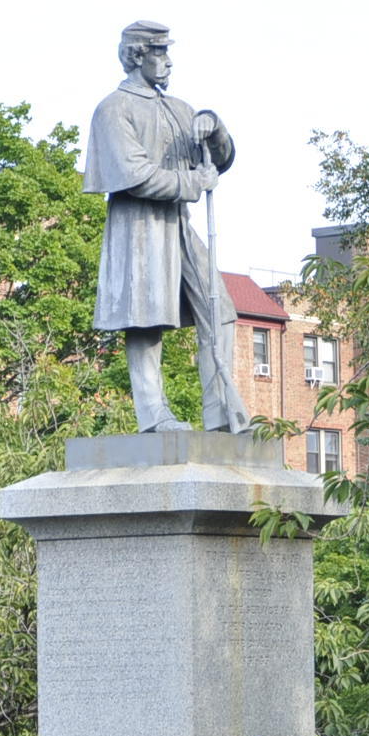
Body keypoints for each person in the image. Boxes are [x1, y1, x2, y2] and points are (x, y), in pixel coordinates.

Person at [83, 21, 252, 434]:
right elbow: (135, 174)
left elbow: (219, 159)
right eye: (160, 52)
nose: (168, 62)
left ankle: (220, 412)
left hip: (178, 223)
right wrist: (194, 183)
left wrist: (214, 126)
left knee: (220, 309)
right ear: (138, 56)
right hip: (138, 230)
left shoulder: (178, 108)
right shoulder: (113, 109)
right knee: (146, 320)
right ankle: (153, 413)